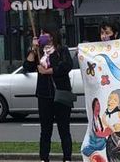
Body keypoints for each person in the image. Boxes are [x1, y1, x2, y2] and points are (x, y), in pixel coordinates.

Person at [24, 28, 73, 162]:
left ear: (52, 36)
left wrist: (49, 71)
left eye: (44, 34)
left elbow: (67, 66)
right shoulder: (39, 52)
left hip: (61, 94)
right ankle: (44, 158)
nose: (41, 36)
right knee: (45, 130)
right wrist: (33, 50)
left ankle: (67, 157)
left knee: (64, 129)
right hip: (44, 95)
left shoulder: (61, 50)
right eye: (40, 34)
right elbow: (27, 66)